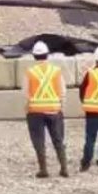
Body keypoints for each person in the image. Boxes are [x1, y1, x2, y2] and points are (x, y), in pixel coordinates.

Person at [23, 41, 68, 178]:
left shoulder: (30, 72)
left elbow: (25, 93)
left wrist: (28, 106)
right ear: (47, 54)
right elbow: (63, 91)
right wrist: (60, 105)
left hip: (35, 111)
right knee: (58, 139)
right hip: (54, 110)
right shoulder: (56, 71)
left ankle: (43, 169)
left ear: (34, 56)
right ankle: (64, 168)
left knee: (39, 141)